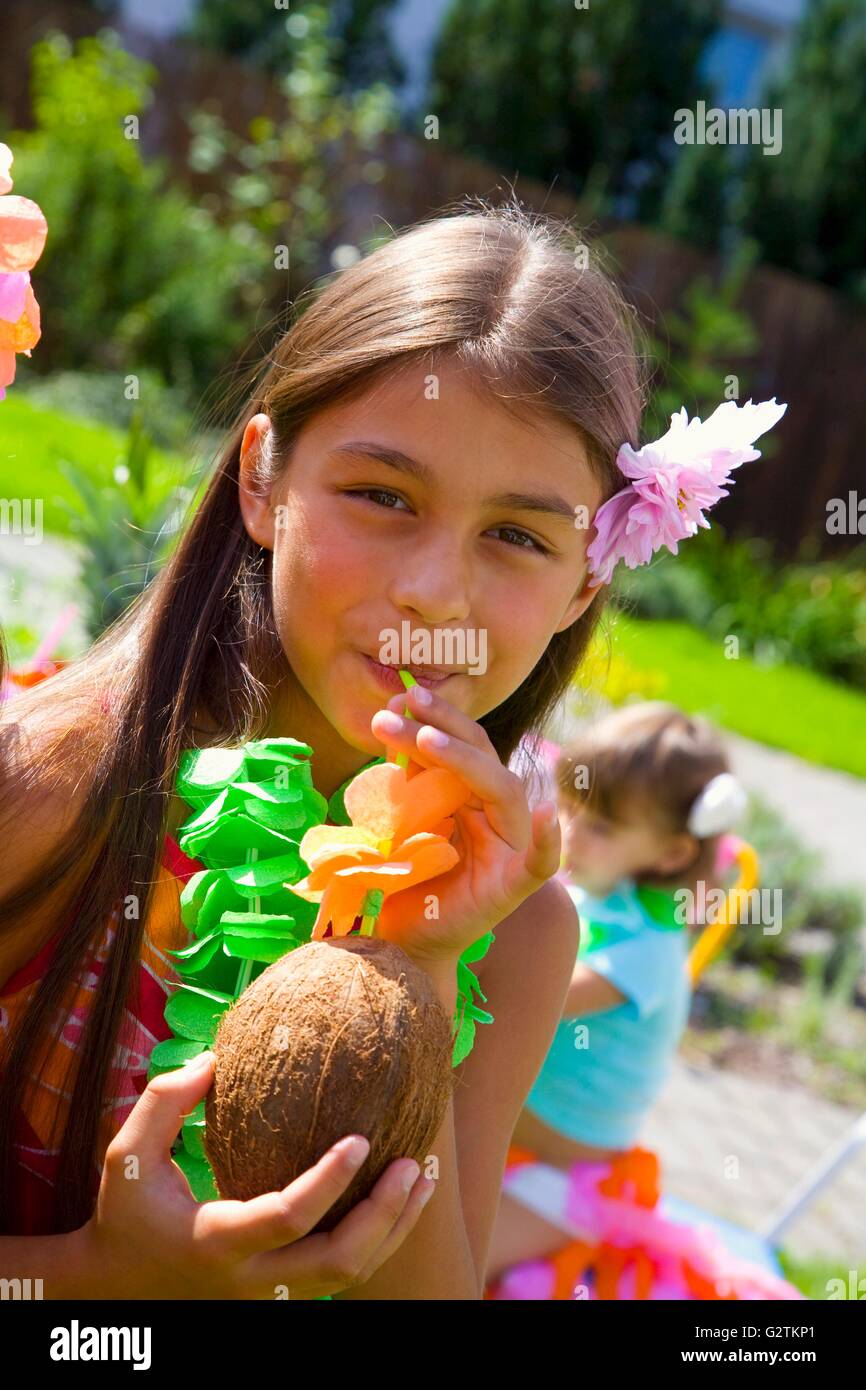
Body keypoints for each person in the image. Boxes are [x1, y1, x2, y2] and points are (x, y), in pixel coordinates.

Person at [0, 196, 785, 1299]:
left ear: (584, 583)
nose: (432, 594)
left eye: (515, 535)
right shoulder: (45, 791)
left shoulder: (511, 937)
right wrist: (95, 1277)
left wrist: (418, 967)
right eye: (382, 495)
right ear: (263, 478)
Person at [487, 703, 750, 1296]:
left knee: (452, 1265)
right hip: (505, 1141)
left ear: (671, 854)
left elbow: (538, 997)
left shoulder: (649, 950)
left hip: (564, 1181)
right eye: (571, 808)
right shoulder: (595, 893)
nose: (570, 833)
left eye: (600, 827)